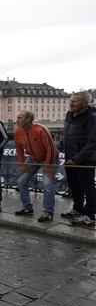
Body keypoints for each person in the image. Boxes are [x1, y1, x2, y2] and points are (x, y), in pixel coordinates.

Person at [13, 110, 59, 222]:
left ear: (28, 119)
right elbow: (19, 148)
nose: (17, 120)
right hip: (32, 159)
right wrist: (22, 164)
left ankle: (48, 212)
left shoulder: (40, 130)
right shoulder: (18, 131)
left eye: (20, 118)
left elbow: (51, 149)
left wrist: (47, 165)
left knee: (47, 183)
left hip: (49, 158)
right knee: (21, 182)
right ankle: (27, 208)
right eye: (17, 117)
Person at [59, 91, 96, 227]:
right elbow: (66, 132)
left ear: (84, 103)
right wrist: (62, 144)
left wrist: (77, 158)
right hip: (70, 158)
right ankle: (78, 209)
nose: (70, 103)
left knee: (88, 188)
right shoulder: (70, 114)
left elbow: (93, 142)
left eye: (74, 101)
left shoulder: (92, 118)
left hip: (85, 160)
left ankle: (90, 215)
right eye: (71, 100)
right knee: (74, 186)